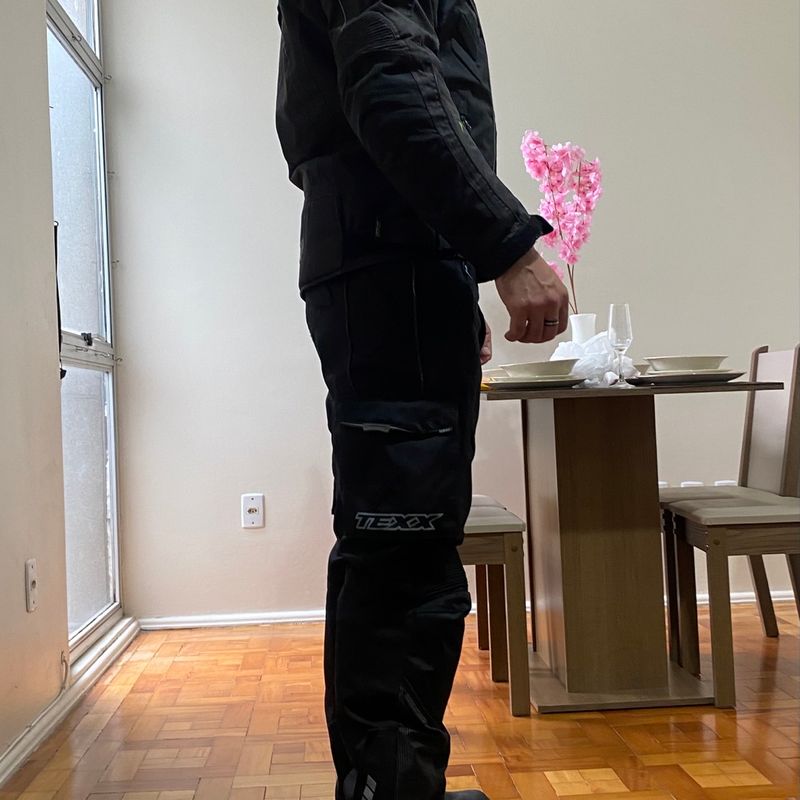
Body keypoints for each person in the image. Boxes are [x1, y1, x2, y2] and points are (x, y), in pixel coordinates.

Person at [276, 2, 569, 798]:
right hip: (390, 268)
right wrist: (507, 245)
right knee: (403, 557)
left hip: (393, 268)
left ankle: (391, 783)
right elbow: (392, 81)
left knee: (398, 546)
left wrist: (454, 286)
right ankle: (393, 786)